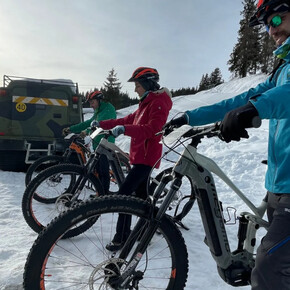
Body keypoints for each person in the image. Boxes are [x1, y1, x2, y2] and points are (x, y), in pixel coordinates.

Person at [163, 1, 290, 288]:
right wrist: (190, 117)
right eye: (266, 24)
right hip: (279, 185)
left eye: (275, 19)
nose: (271, 30)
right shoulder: (282, 68)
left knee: (268, 271)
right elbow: (239, 100)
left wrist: (253, 110)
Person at [95, 67, 172, 251]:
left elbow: (152, 129)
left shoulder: (159, 102)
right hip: (139, 157)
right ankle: (151, 227)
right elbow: (127, 119)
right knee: (142, 198)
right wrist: (101, 124)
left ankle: (121, 237)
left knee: (124, 195)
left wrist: (125, 130)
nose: (135, 89)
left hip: (147, 158)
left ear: (147, 83)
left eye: (137, 85)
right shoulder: (144, 104)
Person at [63, 90, 116, 194]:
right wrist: (71, 129)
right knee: (97, 170)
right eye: (90, 103)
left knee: (103, 171)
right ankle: (99, 192)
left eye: (92, 102)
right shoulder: (98, 110)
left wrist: (86, 132)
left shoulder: (107, 109)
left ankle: (103, 194)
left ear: (99, 100)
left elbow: (99, 124)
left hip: (106, 144)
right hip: (97, 143)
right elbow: (89, 123)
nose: (91, 105)